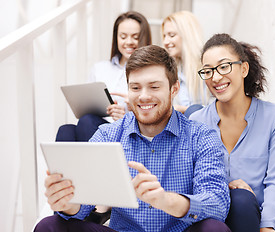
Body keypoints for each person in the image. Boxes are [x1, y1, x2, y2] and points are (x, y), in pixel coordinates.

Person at [34, 45, 231, 232]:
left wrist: (165, 200)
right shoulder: (107, 135)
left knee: (215, 229)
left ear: (174, 88)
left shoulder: (201, 136)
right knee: (49, 226)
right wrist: (67, 203)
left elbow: (217, 204)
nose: (143, 96)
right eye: (135, 88)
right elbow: (82, 206)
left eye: (154, 87)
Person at [190, 33, 275, 232]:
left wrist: (267, 227)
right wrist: (227, 185)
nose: (215, 77)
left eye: (224, 67)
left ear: (244, 69)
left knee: (242, 202)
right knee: (239, 200)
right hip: (221, 220)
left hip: (270, 221)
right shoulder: (196, 123)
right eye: (208, 71)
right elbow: (194, 182)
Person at [56, 11, 152, 142]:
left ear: (144, 38)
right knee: (65, 130)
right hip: (95, 127)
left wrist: (128, 114)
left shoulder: (151, 73)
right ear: (116, 38)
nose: (128, 42)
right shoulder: (100, 68)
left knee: (86, 121)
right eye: (123, 37)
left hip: (129, 132)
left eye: (135, 37)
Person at [162, 10, 209, 115]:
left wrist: (185, 110)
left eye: (171, 35)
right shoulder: (169, 71)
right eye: (164, 36)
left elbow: (218, 110)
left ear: (187, 35)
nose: (165, 42)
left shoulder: (209, 69)